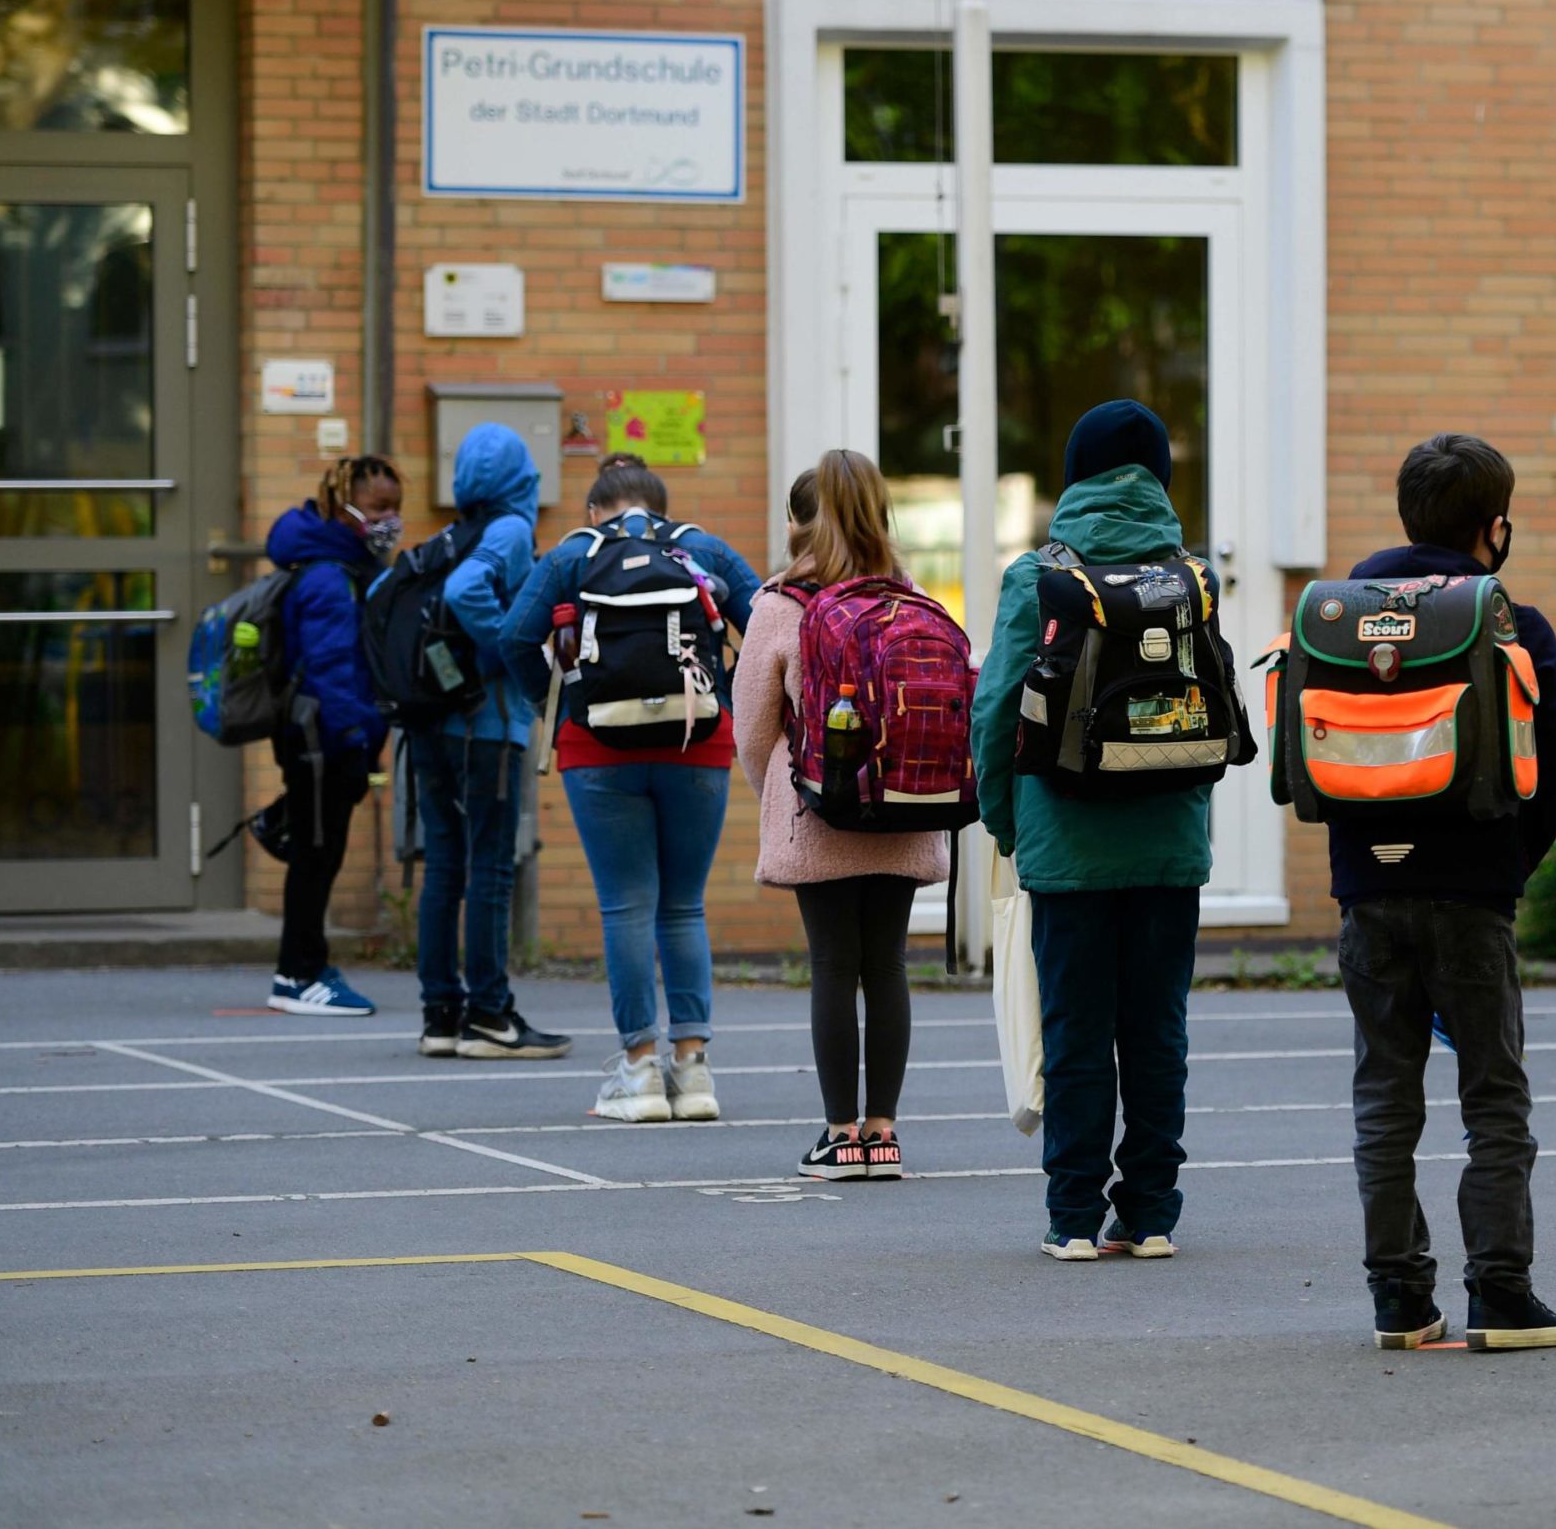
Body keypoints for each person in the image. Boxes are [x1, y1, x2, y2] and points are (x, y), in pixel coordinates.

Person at [1328, 433, 1556, 1351]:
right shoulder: (1512, 620)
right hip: (1473, 893)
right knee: (1493, 1100)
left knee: (1384, 1101)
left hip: (1368, 892)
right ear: (1496, 526)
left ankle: (1399, 1300)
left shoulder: (1343, 617)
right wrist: (1508, 866)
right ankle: (1501, 1295)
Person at [970, 399, 1209, 1262]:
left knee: (1074, 1031)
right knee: (1157, 1031)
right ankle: (1149, 1213)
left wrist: (1007, 821)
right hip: (1170, 845)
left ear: (1074, 475)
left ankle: (1071, 1216)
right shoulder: (1193, 574)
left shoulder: (1036, 576)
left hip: (1065, 844)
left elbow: (996, 710)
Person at [503, 454, 762, 1122]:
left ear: (596, 512)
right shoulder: (697, 546)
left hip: (597, 747)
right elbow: (763, 624)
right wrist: (725, 700)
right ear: (661, 506)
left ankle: (640, 1072)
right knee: (683, 907)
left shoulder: (572, 556)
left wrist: (555, 708)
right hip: (696, 741)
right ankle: (695, 1071)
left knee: (625, 908)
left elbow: (511, 638)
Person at [732, 452, 948, 1181]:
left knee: (832, 962)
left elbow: (754, 734)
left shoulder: (779, 606)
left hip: (821, 810)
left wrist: (790, 794)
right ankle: (883, 1135)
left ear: (797, 525)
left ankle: (838, 1135)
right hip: (906, 805)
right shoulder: (909, 596)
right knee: (886, 963)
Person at [404, 424, 570, 1061]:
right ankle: (492, 1015)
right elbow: (463, 593)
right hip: (486, 728)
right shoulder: (506, 531)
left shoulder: (451, 533)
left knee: (445, 867)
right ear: (518, 482)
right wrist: (509, 643)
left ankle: (440, 1014)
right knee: (492, 870)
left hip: (433, 724)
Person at [261, 455, 401, 1016]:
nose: (390, 519)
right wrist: (358, 738)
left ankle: (305, 967)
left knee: (318, 852)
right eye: (378, 508)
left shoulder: (341, 566)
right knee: (316, 858)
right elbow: (332, 669)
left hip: (325, 737)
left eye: (395, 507)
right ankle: (298, 975)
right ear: (342, 508)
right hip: (323, 739)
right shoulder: (327, 576)